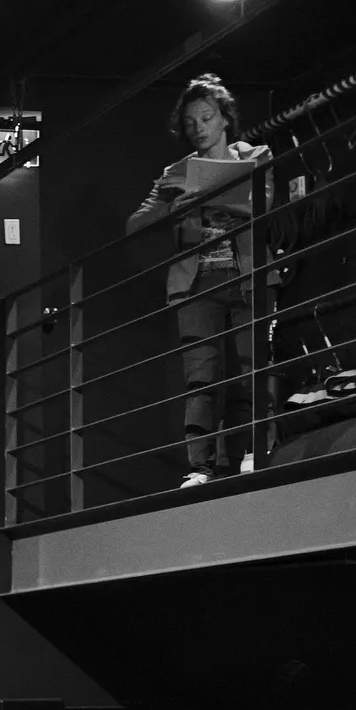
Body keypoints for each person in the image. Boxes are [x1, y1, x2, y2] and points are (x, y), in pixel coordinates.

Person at [126, 73, 273, 487]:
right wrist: (173, 207)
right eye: (190, 123)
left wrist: (208, 193)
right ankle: (200, 468)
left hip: (249, 277)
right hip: (196, 287)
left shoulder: (255, 155)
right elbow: (134, 225)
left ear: (224, 118)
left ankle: (250, 454)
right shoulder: (176, 172)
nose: (199, 128)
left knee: (251, 371)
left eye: (207, 118)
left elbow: (264, 203)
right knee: (201, 379)